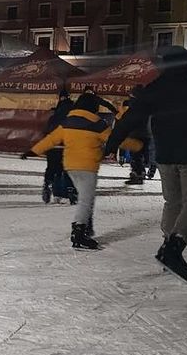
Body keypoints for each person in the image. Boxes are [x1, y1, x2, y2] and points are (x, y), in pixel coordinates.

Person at [106, 45, 187, 281]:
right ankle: (173, 248)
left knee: (173, 201)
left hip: (165, 155)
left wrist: (111, 143)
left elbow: (129, 118)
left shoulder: (154, 89)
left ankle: (168, 245)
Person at [23, 91, 128, 250]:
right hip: (88, 167)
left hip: (71, 165)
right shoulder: (97, 123)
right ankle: (78, 235)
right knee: (85, 200)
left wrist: (33, 151)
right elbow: (114, 138)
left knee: (86, 199)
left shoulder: (68, 121)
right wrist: (137, 145)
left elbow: (51, 139)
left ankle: (84, 227)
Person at [40, 90, 76, 204]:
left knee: (52, 168)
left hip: (54, 146)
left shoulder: (54, 117)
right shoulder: (74, 116)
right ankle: (70, 191)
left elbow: (46, 132)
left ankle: (48, 183)